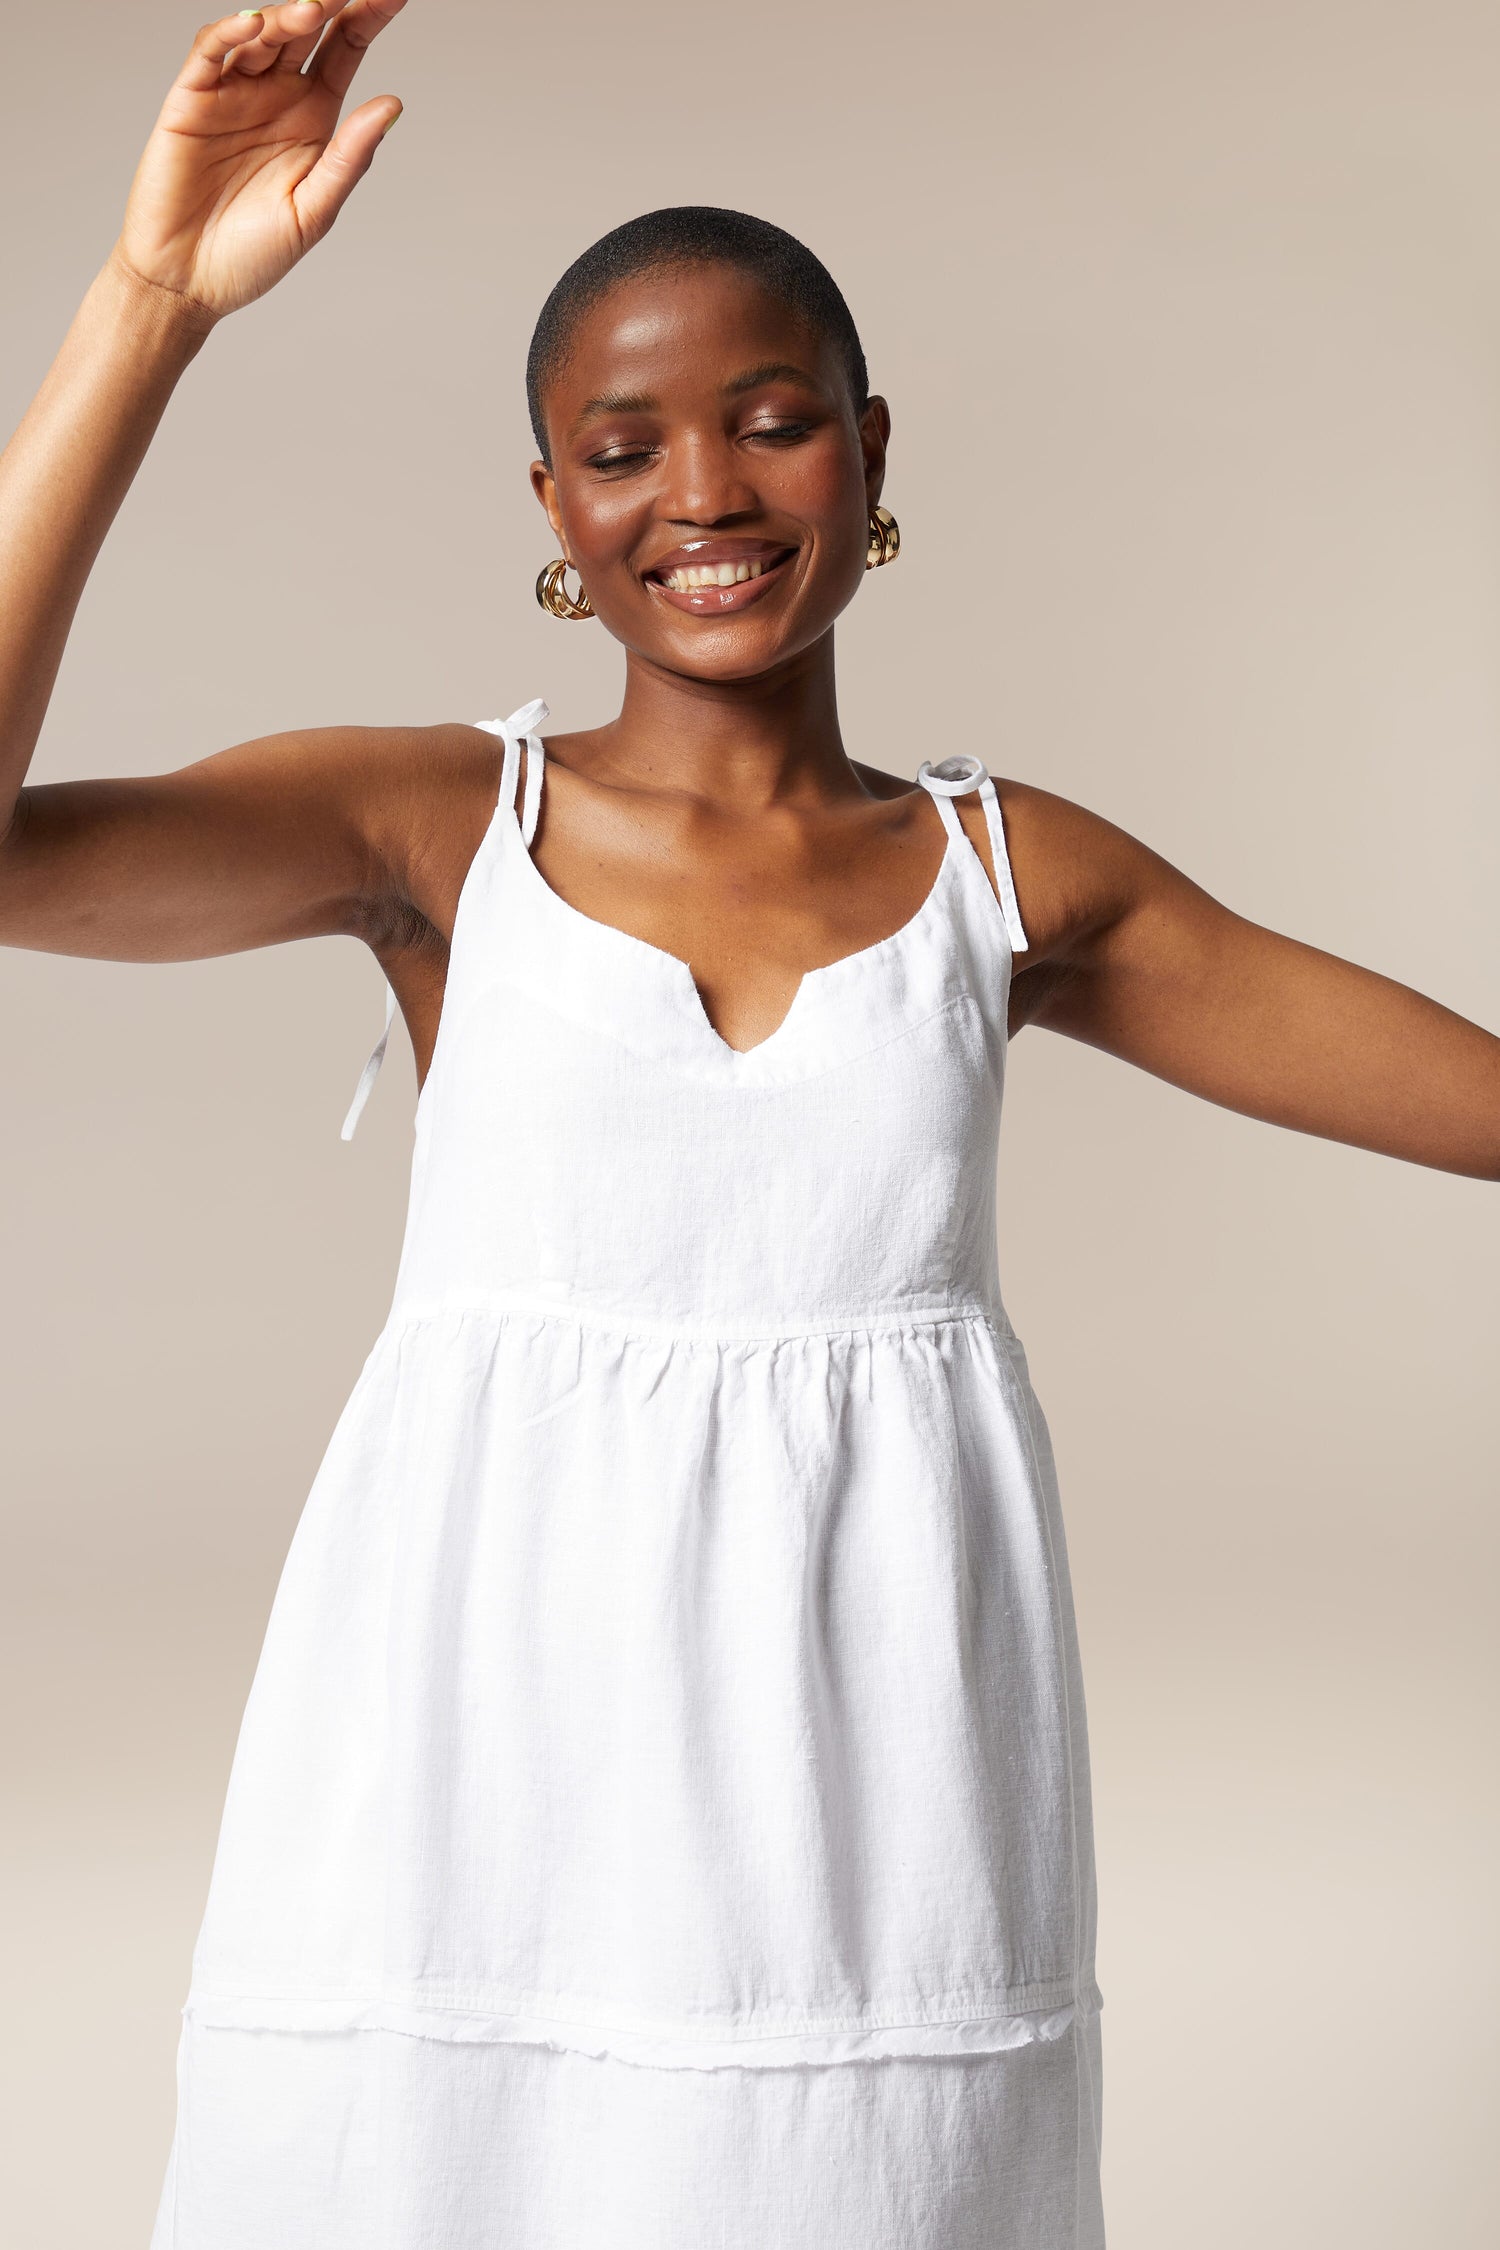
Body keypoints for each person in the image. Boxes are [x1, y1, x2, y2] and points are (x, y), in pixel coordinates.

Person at [2, 7, 1495, 2246]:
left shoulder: (1015, 881)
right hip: (457, 1823)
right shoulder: (437, 825)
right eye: (622, 448)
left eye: (773, 423)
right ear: (549, 506)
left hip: (864, 1866)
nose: (701, 496)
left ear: (875, 457)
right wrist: (149, 310)